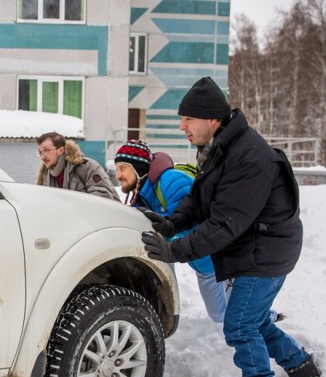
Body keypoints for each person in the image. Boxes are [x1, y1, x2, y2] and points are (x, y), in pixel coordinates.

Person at [139, 77, 321, 377]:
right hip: (255, 246)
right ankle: (304, 371)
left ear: (211, 119)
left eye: (188, 119)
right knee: (255, 322)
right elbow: (200, 200)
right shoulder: (218, 148)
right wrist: (171, 222)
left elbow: (225, 223)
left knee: (239, 324)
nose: (182, 126)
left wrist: (175, 250)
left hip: (267, 251)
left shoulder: (248, 155)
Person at [114, 139, 282, 325]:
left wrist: (166, 240)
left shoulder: (171, 181)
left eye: (122, 168)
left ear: (138, 167)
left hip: (221, 256)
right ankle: (264, 317)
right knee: (222, 313)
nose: (118, 175)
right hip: (203, 264)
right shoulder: (142, 197)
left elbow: (191, 220)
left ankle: (268, 318)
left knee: (229, 313)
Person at [35, 131, 118, 201]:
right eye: (40, 152)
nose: (42, 156)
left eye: (46, 150)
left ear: (60, 150)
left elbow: (103, 198)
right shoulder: (45, 175)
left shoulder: (87, 167)